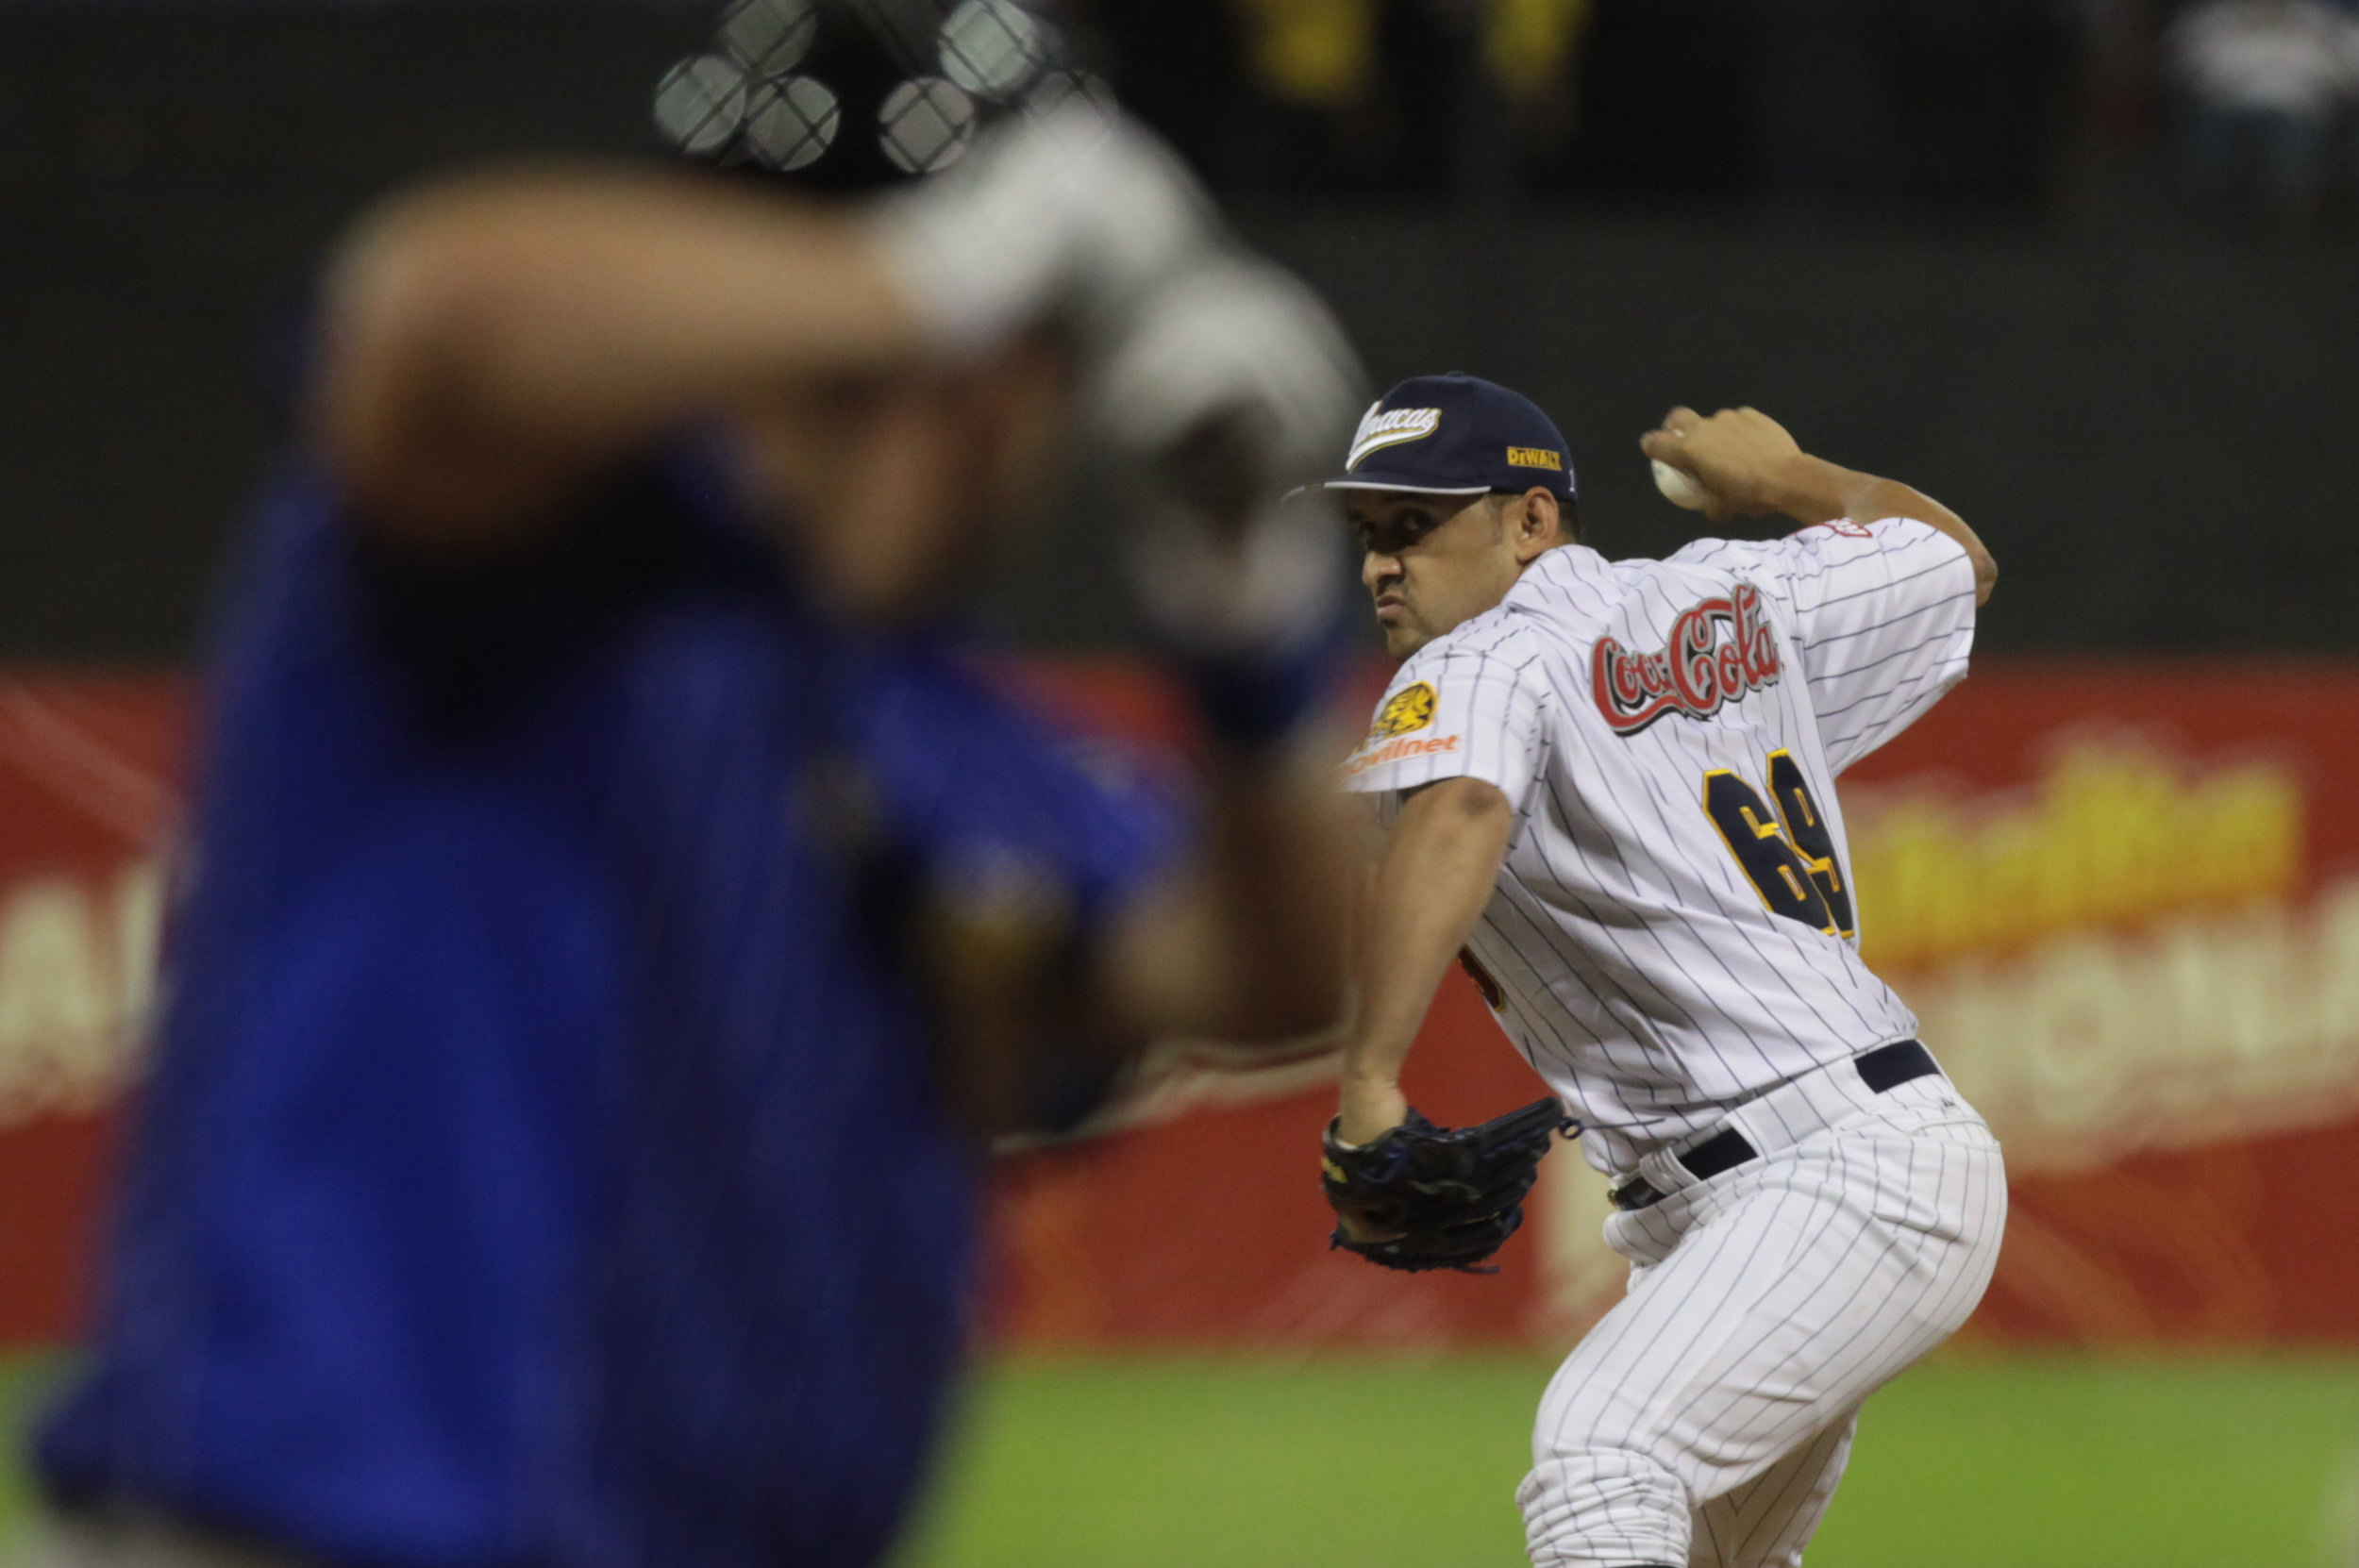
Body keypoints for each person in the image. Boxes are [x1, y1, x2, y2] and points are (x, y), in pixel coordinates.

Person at [20, 36, 1364, 1568]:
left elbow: (1266, 967)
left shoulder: (936, 722)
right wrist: (938, 275)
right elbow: (429, 315)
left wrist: (1250, 633)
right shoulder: (518, 552)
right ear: (1011, 378)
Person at [1325, 373, 2005, 1568]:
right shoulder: (1736, 596)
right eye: (1369, 535)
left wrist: (1371, 1084)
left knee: (1602, 1455)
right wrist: (1784, 482)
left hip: (1826, 1172)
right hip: (1807, 1181)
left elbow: (1466, 803)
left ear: (1532, 521)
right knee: (1693, 1548)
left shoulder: (1486, 657)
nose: (1383, 564)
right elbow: (1953, 564)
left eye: (1417, 525)